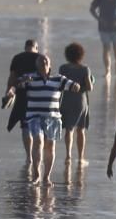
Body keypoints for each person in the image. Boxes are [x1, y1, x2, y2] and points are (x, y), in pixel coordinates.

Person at [18, 55, 81, 186]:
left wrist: (76, 86)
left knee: (50, 146)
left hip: (53, 118)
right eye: (41, 60)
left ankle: (46, 177)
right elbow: (18, 84)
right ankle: (36, 175)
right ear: (37, 65)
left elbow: (73, 85)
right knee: (38, 141)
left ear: (50, 64)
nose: (44, 61)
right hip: (34, 116)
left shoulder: (58, 78)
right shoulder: (30, 77)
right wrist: (22, 80)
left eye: (46, 60)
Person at [58, 42, 95, 166]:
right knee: (81, 129)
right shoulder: (85, 69)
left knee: (68, 129)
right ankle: (80, 158)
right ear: (81, 55)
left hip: (66, 100)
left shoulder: (63, 68)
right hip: (80, 101)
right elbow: (89, 87)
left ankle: (68, 156)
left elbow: (60, 84)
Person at [5, 39, 42, 162]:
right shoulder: (41, 58)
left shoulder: (17, 58)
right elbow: (46, 77)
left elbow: (12, 78)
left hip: (22, 96)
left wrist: (9, 92)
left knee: (25, 126)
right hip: (38, 97)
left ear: (25, 47)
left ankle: (29, 157)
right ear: (36, 47)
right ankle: (37, 155)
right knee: (37, 128)